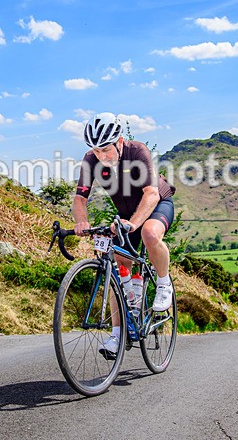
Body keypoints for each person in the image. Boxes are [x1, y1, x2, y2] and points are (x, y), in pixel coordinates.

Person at [72, 112, 176, 359]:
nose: (101, 156)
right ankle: (117, 334)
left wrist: (134, 224)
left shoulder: (136, 151)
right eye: (96, 151)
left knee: (150, 233)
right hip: (125, 215)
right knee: (116, 269)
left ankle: (164, 283)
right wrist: (81, 221)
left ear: (119, 141)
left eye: (106, 150)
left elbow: (151, 193)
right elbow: (80, 198)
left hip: (157, 204)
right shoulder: (91, 160)